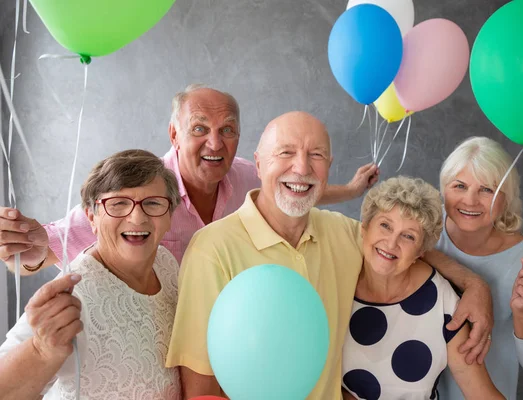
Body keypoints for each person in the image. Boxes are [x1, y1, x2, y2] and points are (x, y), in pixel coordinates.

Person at [165, 111, 495, 399]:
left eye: (317, 155)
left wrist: (473, 283)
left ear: (329, 168)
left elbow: (402, 247)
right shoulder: (212, 250)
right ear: (259, 163)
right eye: (286, 152)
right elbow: (199, 387)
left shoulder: (344, 233)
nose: (301, 167)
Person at [0, 84, 379, 273]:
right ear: (174, 135)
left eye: (228, 130)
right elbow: (53, 244)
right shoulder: (135, 190)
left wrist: (350, 190)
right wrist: (27, 251)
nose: (215, 143)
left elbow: (293, 189)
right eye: (200, 128)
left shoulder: (246, 174)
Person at [0, 149, 182, 399]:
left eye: (153, 203)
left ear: (170, 214)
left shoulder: (166, 263)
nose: (138, 218)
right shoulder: (72, 294)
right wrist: (40, 350)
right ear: (91, 217)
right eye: (118, 203)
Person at [342, 176, 503, 400]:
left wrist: (476, 284)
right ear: (365, 228)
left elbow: (481, 394)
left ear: (421, 251)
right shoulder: (337, 281)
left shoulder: (441, 300)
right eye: (385, 225)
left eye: (408, 236)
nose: (391, 243)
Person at [436, 137, 523, 400]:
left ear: (507, 198)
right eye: (459, 185)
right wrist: (474, 283)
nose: (470, 201)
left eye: (487, 190)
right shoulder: (420, 233)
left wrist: (522, 311)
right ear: (443, 189)